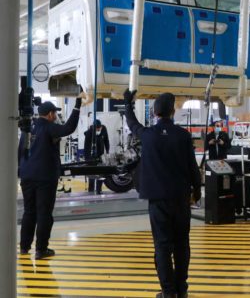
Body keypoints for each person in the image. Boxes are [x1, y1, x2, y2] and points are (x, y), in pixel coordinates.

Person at [124, 89, 201, 298]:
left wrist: (128, 103)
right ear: (173, 112)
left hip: (158, 200)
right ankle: (182, 289)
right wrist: (197, 191)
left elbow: (132, 123)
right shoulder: (183, 136)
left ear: (155, 113)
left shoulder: (148, 135)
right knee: (182, 244)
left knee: (162, 245)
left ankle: (168, 292)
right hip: (181, 199)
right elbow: (193, 167)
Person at [19, 97, 82, 259]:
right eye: (55, 113)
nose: (55, 116)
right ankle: (41, 249)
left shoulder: (28, 129)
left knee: (29, 212)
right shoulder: (48, 127)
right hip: (45, 178)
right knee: (44, 213)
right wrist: (77, 107)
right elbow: (68, 128)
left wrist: (23, 170)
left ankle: (24, 247)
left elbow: (20, 152)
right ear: (50, 114)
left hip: (27, 176)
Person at [84, 119, 110, 194]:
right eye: (97, 128)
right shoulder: (89, 133)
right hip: (91, 156)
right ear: (93, 127)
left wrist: (107, 151)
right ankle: (91, 190)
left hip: (101, 154)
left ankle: (99, 190)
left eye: (99, 128)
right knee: (92, 173)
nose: (98, 129)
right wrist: (88, 159)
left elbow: (106, 140)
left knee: (101, 172)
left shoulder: (104, 129)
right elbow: (86, 147)